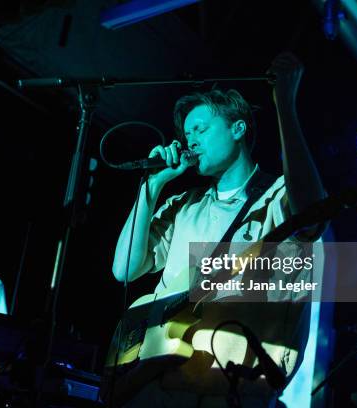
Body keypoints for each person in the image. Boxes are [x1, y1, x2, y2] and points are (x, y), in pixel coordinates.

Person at [111, 53, 326, 407]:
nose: (189, 139)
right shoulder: (184, 205)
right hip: (154, 385)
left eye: (201, 128)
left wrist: (284, 105)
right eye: (186, 132)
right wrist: (153, 185)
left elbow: (312, 217)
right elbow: (125, 269)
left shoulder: (275, 198)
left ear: (237, 128)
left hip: (227, 390)